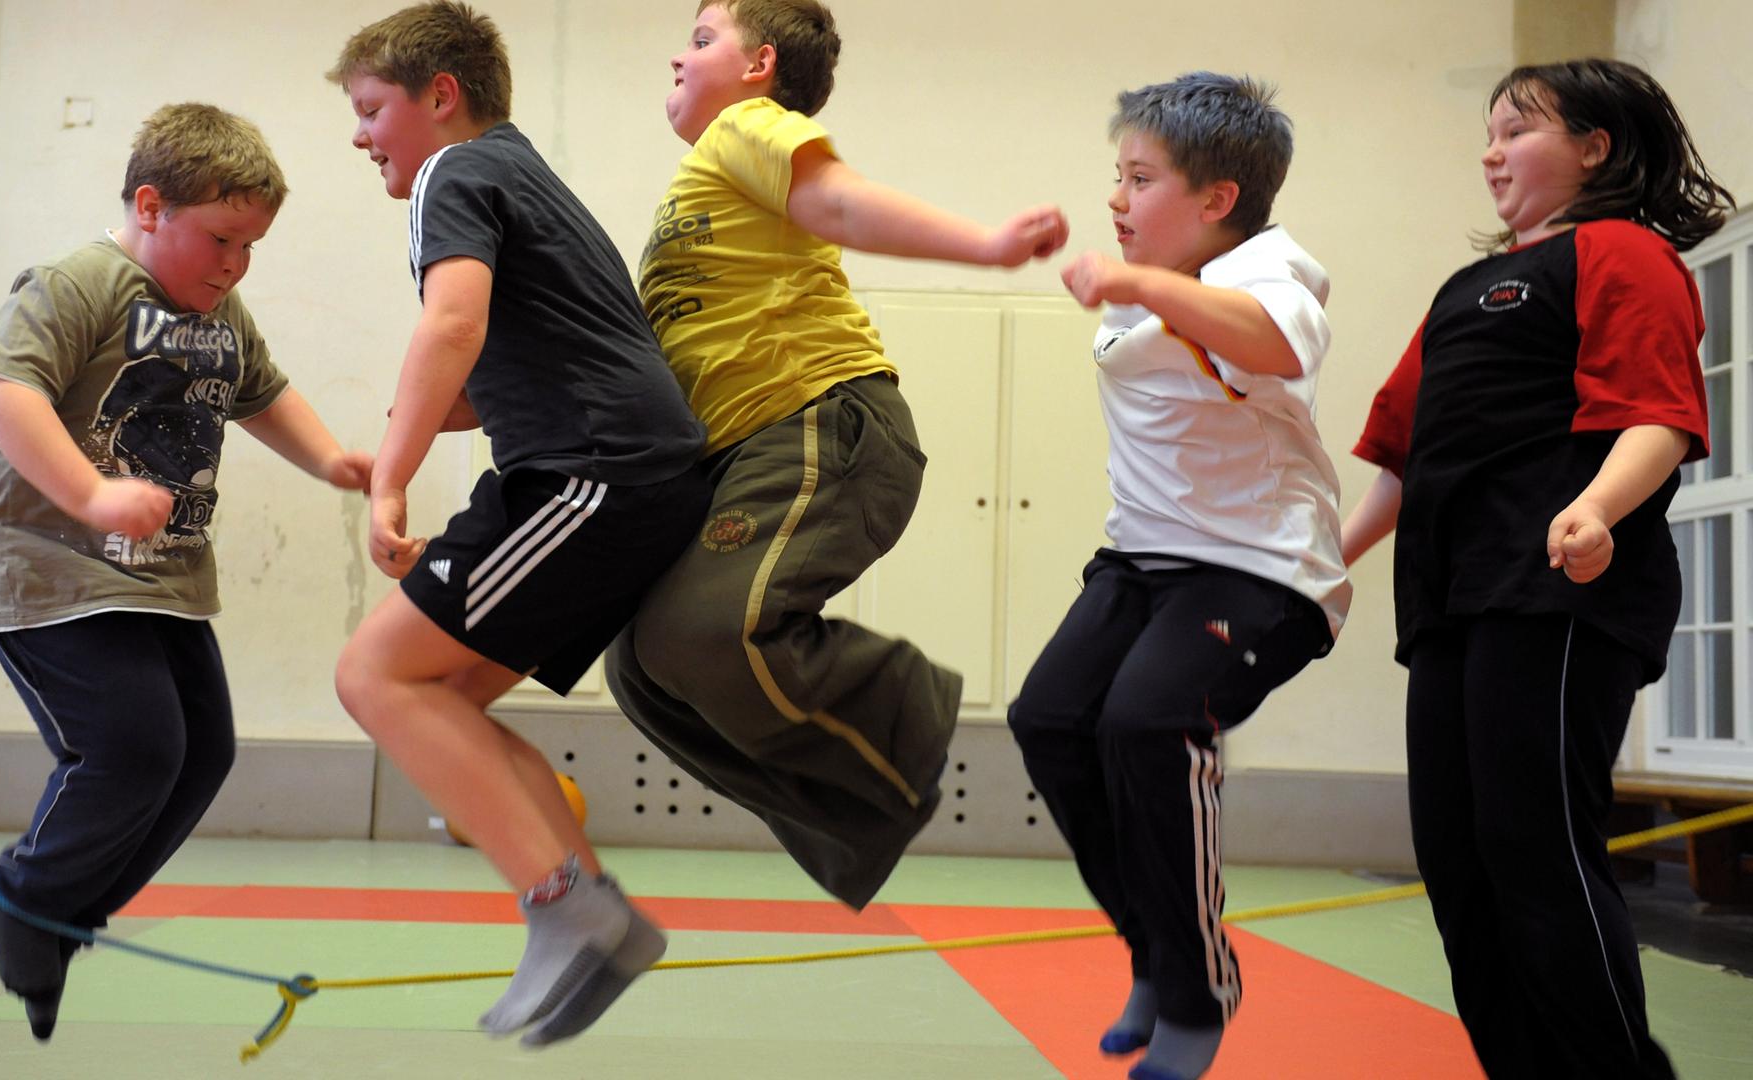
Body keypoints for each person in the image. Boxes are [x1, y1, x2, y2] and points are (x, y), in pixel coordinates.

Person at [603, 0, 1069, 911]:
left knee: (706, 630)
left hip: (825, 420)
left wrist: (987, 245)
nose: (677, 56)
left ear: (759, 65)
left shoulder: (749, 127)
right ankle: (867, 811)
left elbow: (840, 202)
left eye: (701, 40)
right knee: (644, 665)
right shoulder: (701, 181)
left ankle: (908, 711)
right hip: (745, 452)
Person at [325, 2, 712, 1047]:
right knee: (439, 694)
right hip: (622, 474)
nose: (361, 136)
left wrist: (394, 480)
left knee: (372, 675)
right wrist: (397, 437)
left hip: (591, 477)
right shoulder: (517, 169)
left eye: (371, 110)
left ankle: (568, 908)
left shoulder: (457, 173)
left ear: (438, 96)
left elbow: (454, 323)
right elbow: (496, 367)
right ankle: (585, 913)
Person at [1340, 58, 1733, 1079]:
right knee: (1461, 869)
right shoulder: (1464, 288)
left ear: (1594, 148)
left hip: (1558, 591)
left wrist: (1597, 511)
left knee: (1538, 854)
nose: (1491, 152)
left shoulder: (1623, 254)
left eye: (1516, 130)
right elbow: (1401, 454)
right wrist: (1320, 563)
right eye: (1488, 132)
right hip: (1451, 602)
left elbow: (1659, 414)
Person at [0, 103, 372, 1041]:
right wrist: (94, 497)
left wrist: (336, 463)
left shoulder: (219, 309)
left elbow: (263, 396)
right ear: (151, 205)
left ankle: (71, 912)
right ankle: (31, 896)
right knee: (131, 748)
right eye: (221, 239)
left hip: (165, 573)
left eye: (251, 247)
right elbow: (6, 391)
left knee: (202, 754)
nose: (234, 265)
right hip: (54, 568)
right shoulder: (78, 283)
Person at [1007, 73, 1349, 1080]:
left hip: (1260, 572)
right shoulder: (1150, 273)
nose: (1117, 200)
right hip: (1143, 560)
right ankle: (1154, 952)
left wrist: (1140, 284)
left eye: (1142, 179)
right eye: (1117, 176)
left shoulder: (1276, 272)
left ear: (1218, 200)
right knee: (1051, 722)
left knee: (1149, 724)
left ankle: (1200, 993)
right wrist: (1139, 280)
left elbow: (1272, 341)